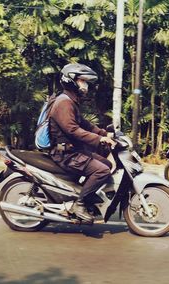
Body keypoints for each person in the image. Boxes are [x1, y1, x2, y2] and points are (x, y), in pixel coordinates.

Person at [49, 63, 116, 223]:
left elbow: (86, 125)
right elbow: (73, 130)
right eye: (82, 81)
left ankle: (86, 196)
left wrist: (106, 134)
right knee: (101, 171)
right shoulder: (64, 103)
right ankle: (79, 204)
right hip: (65, 154)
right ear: (71, 81)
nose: (85, 85)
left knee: (106, 163)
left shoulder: (71, 101)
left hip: (73, 151)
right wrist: (99, 139)